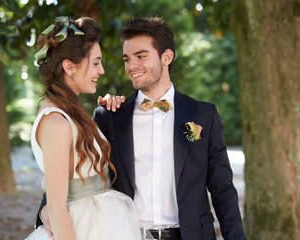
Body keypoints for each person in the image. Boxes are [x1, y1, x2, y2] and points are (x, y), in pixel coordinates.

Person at [93, 17, 247, 240]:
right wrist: (47, 210)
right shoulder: (109, 116)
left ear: (167, 56)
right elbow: (80, 172)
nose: (131, 66)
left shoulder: (204, 115)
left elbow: (222, 188)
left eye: (141, 56)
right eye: (127, 59)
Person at [25, 16, 143, 240]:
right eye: (96, 62)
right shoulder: (56, 122)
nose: (102, 70)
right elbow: (56, 207)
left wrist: (111, 114)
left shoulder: (72, 113)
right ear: (69, 66)